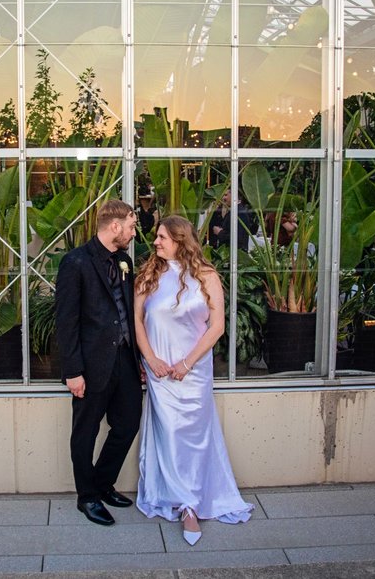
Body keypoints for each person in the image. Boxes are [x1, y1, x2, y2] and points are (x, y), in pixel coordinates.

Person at [134, 215, 254, 545]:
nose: (155, 242)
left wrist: (187, 363)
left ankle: (195, 500)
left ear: (180, 240)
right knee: (171, 435)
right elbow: (137, 322)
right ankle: (183, 502)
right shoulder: (148, 275)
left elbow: (217, 326)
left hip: (195, 371)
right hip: (161, 372)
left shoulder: (207, 276)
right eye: (157, 237)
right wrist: (151, 360)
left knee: (197, 437)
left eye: (162, 237)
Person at [55, 199, 142, 526]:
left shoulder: (124, 261)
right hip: (91, 366)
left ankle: (103, 483)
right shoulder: (75, 262)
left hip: (125, 359)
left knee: (129, 423)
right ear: (115, 226)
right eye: (131, 227)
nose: (134, 233)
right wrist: (73, 371)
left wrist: (139, 358)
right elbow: (66, 321)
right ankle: (87, 497)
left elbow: (127, 312)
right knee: (86, 432)